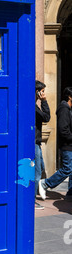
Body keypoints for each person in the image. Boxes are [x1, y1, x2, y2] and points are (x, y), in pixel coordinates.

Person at [39, 87, 72, 200]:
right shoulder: (64, 109)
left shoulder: (68, 108)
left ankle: (70, 193)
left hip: (69, 145)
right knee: (67, 169)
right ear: (69, 97)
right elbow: (63, 130)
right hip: (67, 146)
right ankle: (45, 183)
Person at [35, 81, 50, 209]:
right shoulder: (33, 107)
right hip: (34, 143)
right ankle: (32, 199)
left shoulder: (34, 106)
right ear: (38, 92)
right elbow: (46, 117)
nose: (44, 94)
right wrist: (44, 101)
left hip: (36, 142)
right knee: (37, 172)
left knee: (41, 169)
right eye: (42, 91)